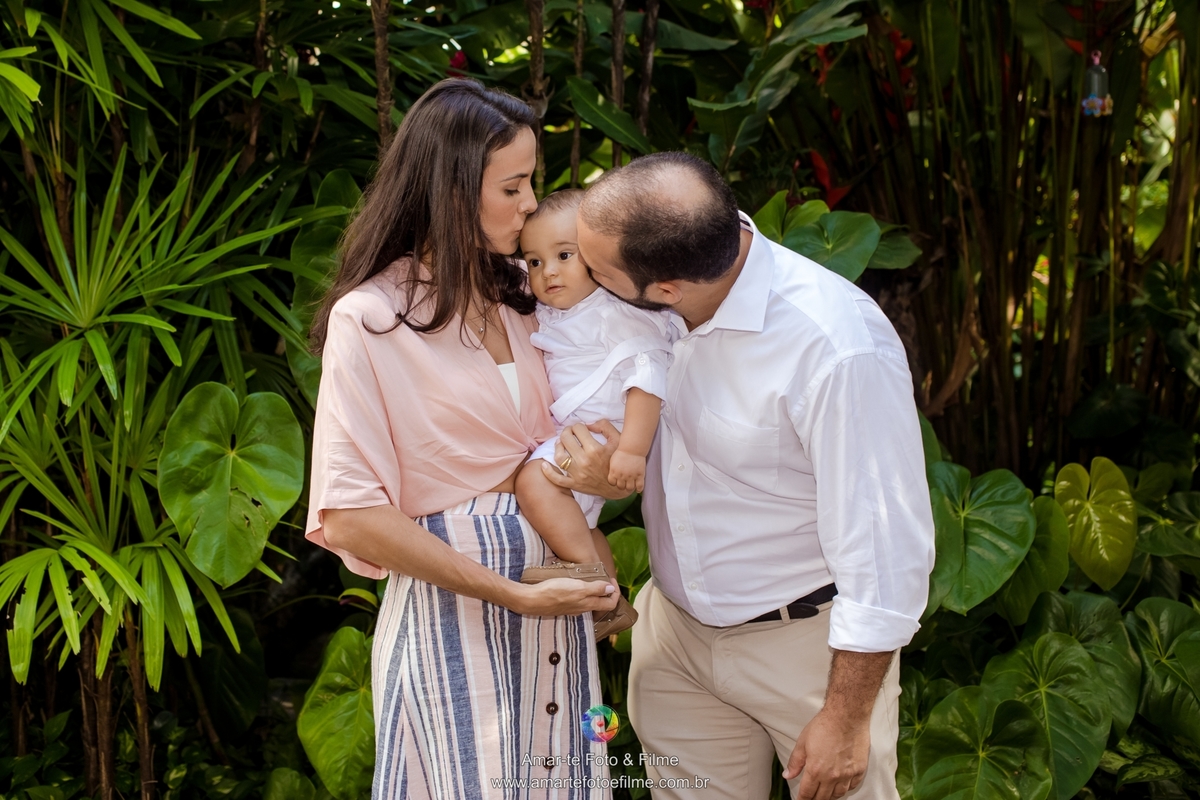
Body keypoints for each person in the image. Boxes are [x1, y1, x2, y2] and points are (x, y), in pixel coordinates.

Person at [541, 152, 936, 800]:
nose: (578, 276)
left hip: (806, 647)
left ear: (666, 288)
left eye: (597, 270)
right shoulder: (651, 294)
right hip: (674, 639)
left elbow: (886, 554)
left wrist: (846, 718)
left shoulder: (835, 348)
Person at [304, 78, 616, 799]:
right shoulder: (372, 318)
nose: (532, 204)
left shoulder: (533, 294)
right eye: (513, 187)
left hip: (558, 609)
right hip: (457, 616)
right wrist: (508, 593)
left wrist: (599, 476)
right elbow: (349, 512)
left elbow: (597, 417)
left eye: (531, 182)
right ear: (451, 190)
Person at [514, 189, 672, 640]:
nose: (548, 272)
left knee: (533, 482)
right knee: (584, 525)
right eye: (534, 262)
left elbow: (647, 377)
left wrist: (632, 453)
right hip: (580, 433)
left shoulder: (613, 313)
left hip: (610, 433)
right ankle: (611, 601)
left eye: (564, 255)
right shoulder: (555, 309)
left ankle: (594, 588)